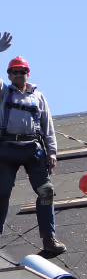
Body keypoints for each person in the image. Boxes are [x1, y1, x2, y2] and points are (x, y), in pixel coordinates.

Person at [0, 32, 66, 254]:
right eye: (14, 72)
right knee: (1, 193)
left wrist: (53, 152)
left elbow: (48, 125)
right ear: (9, 75)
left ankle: (49, 241)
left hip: (32, 149)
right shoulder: (3, 92)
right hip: (7, 149)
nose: (18, 74)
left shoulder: (38, 96)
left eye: (22, 71)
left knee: (46, 191)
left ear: (28, 74)